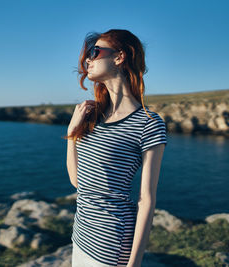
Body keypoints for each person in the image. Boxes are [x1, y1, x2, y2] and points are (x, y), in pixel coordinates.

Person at [64, 29, 167, 267]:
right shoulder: (94, 117)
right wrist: (72, 134)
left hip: (112, 243)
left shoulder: (148, 124)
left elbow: (146, 200)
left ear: (119, 57)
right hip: (81, 236)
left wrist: (134, 263)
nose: (88, 59)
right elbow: (78, 182)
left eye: (95, 52)